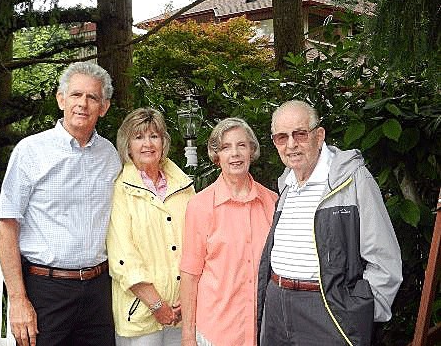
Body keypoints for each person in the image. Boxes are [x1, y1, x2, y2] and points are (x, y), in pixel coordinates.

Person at [257, 100, 403, 346]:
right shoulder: (286, 184)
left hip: (326, 309)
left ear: (319, 135)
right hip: (276, 307)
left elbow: (384, 258)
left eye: (300, 134)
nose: (291, 144)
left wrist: (359, 313)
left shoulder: (352, 179)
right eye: (281, 137)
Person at [0, 61, 121, 346]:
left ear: (104, 107)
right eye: (76, 95)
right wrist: (17, 300)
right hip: (45, 291)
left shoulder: (110, 155)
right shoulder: (30, 151)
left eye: (92, 97)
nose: (83, 104)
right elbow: (7, 226)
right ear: (61, 99)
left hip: (99, 292)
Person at [180, 117, 278, 346]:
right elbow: (190, 274)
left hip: (263, 330)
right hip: (217, 330)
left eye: (241, 145)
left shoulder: (272, 202)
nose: (235, 153)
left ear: (251, 151)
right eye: (226, 147)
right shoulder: (200, 206)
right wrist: (187, 334)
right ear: (217, 156)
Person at [106, 107, 195, 346]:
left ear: (163, 141)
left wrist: (188, 298)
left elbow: (198, 245)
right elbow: (122, 257)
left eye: (153, 136)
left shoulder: (184, 187)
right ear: (127, 145)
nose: (147, 144)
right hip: (140, 313)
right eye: (139, 137)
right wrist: (157, 304)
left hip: (182, 310)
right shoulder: (120, 190)